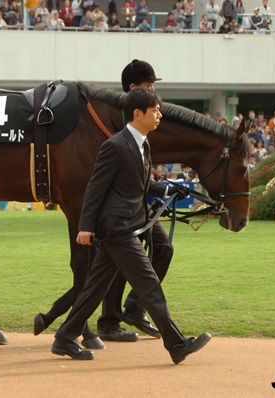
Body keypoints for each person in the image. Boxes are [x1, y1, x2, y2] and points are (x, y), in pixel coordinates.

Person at [51, 88, 211, 363]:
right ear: (138, 114)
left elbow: (140, 184)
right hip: (118, 229)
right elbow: (95, 189)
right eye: (155, 110)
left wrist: (168, 190)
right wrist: (85, 227)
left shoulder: (143, 144)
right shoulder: (114, 146)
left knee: (95, 288)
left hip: (127, 225)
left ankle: (65, 337)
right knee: (149, 285)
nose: (160, 115)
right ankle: (176, 344)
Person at [94, 60, 187, 343]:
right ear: (134, 88)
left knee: (162, 248)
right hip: (121, 213)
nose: (154, 90)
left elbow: (142, 177)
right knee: (120, 264)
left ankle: (130, 310)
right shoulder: (120, 125)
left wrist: (166, 189)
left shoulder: (143, 126)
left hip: (138, 205)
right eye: (149, 85)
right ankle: (108, 322)